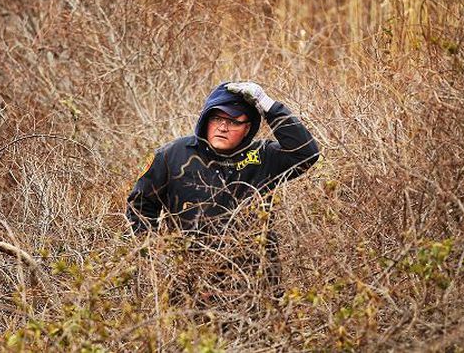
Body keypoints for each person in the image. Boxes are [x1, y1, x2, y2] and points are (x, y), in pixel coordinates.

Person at [126, 81, 320, 300]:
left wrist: (269, 106)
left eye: (234, 122)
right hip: (192, 286)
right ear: (206, 119)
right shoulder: (172, 155)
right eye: (217, 118)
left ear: (248, 128)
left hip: (257, 288)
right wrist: (156, 258)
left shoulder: (263, 156)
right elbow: (140, 205)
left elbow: (307, 155)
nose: (223, 127)